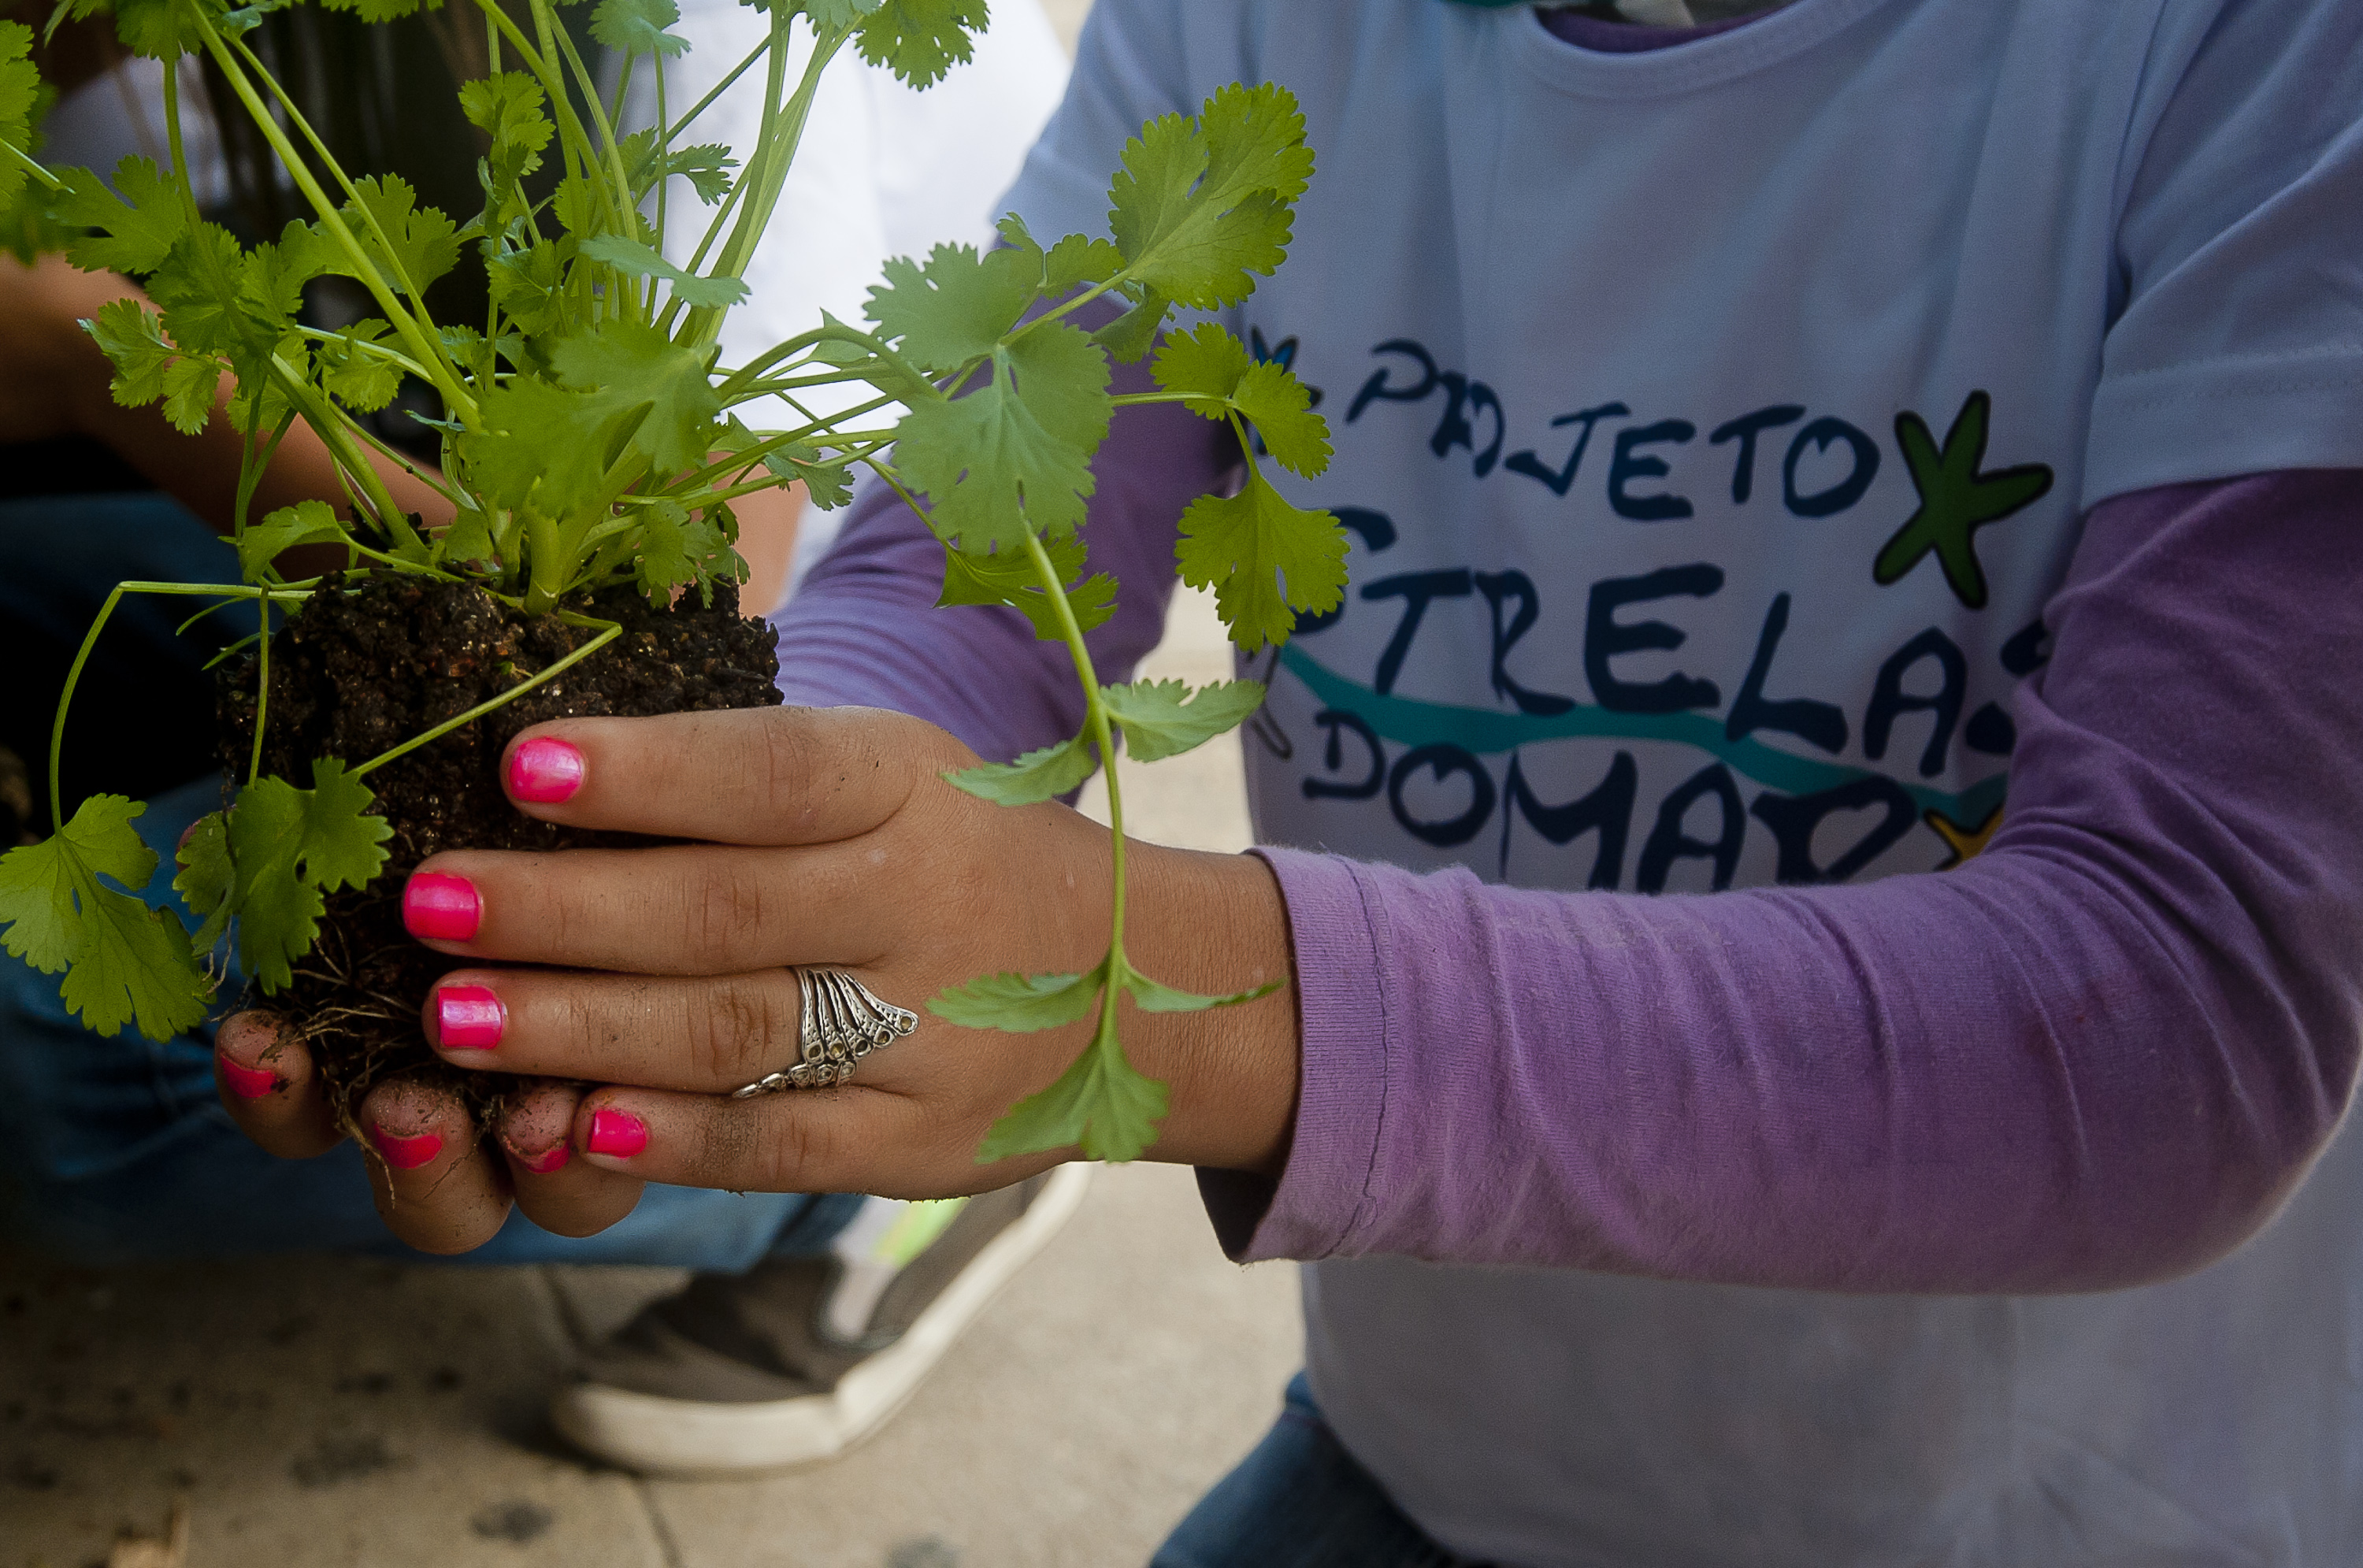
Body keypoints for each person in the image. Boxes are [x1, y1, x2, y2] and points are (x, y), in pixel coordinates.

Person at [165, 0, 2363, 1560]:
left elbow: (2185, 1002)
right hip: (1439, 1459)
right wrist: (751, 886)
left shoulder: (2254, 53)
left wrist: (1131, 1000)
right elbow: (969, 559)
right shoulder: (1249, 27)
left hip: (2067, 1517)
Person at [0, 0, 1082, 1477]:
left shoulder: (720, 33)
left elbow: (689, 566)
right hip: (474, 586)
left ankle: (891, 1154)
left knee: (36, 1075)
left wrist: (78, 345)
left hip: (812, 709)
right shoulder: (210, 55)